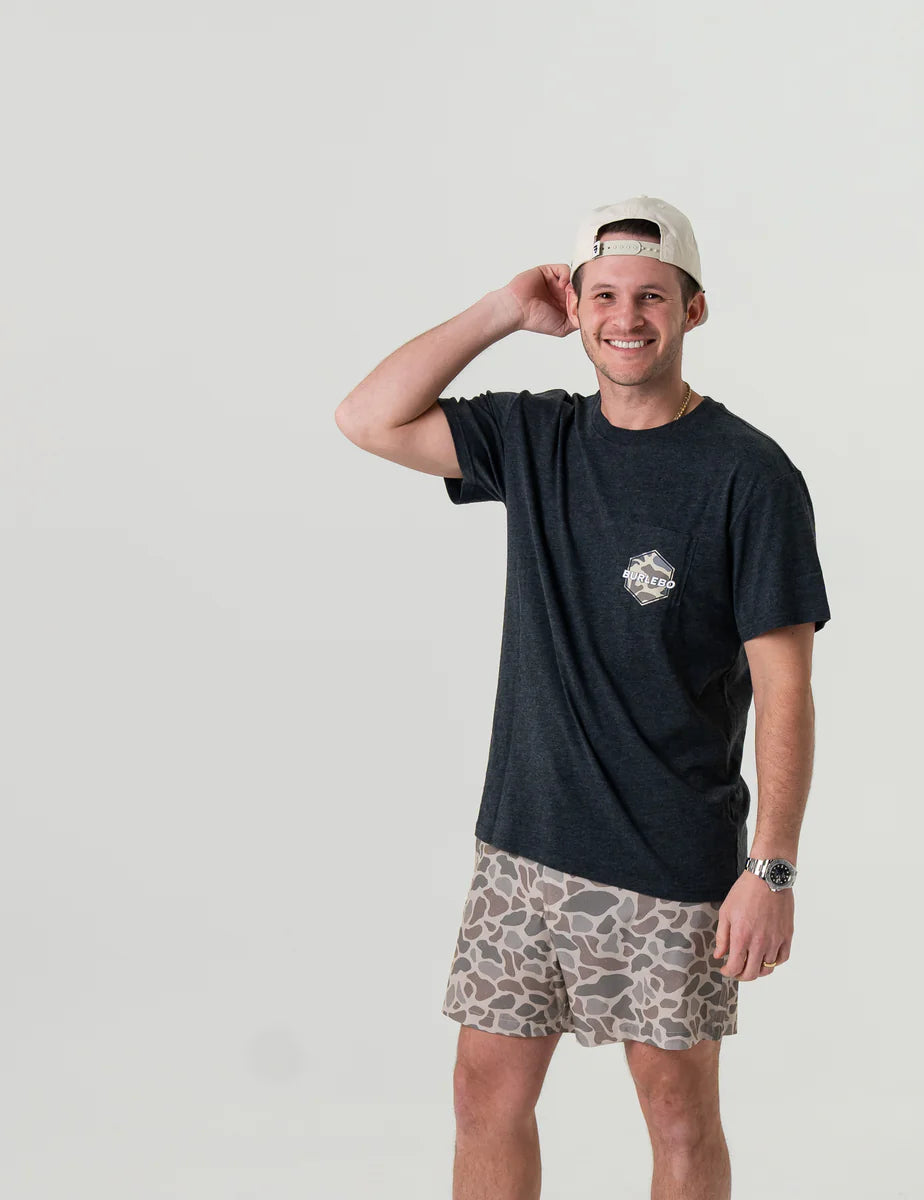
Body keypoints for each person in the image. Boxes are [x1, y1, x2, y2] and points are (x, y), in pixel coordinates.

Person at [334, 196, 831, 1200]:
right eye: (602, 296)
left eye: (652, 296)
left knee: (678, 1117)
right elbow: (367, 417)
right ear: (575, 306)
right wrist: (500, 310)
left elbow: (788, 690)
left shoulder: (749, 476)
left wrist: (770, 869)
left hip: (667, 859)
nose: (626, 318)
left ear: (693, 309)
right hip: (522, 845)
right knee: (483, 1096)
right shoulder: (536, 437)